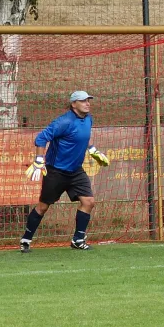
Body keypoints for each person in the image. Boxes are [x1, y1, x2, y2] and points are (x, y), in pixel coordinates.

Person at [20, 91, 110, 253]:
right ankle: (26, 240)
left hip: (76, 171)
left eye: (88, 100)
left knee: (88, 201)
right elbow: (41, 138)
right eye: (83, 101)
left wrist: (93, 150)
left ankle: (78, 240)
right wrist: (39, 159)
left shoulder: (89, 119)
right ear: (73, 104)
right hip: (56, 172)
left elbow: (83, 137)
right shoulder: (63, 122)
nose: (87, 103)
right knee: (43, 207)